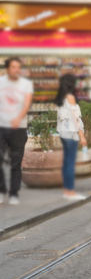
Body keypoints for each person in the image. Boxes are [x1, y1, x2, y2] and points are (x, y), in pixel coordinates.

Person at [0, 57, 33, 205]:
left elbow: (26, 104)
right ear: (7, 69)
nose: (17, 70)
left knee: (15, 161)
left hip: (19, 127)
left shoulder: (26, 84)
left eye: (18, 67)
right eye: (14, 67)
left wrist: (17, 118)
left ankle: (14, 192)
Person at [55, 74, 87, 201]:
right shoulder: (70, 97)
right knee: (70, 163)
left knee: (67, 162)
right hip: (72, 133)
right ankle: (70, 192)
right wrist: (82, 136)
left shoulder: (61, 98)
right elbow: (75, 119)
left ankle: (67, 190)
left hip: (63, 133)